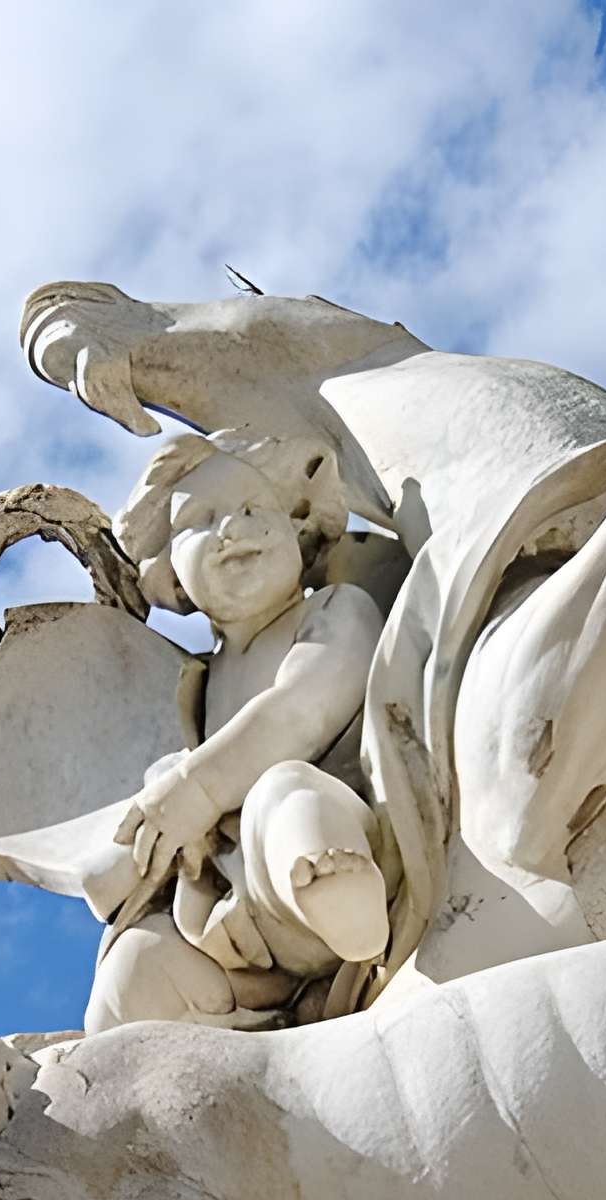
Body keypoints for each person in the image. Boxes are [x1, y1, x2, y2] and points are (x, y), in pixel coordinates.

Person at [78, 430, 393, 1031]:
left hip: (318, 846)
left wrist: (197, 791)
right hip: (232, 926)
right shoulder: (190, 689)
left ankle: (344, 903)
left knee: (285, 796)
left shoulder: (333, 611)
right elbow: (163, 796)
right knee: (134, 967)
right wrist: (161, 824)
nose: (234, 527)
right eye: (202, 518)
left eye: (254, 508)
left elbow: (306, 704)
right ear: (168, 573)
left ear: (300, 529)